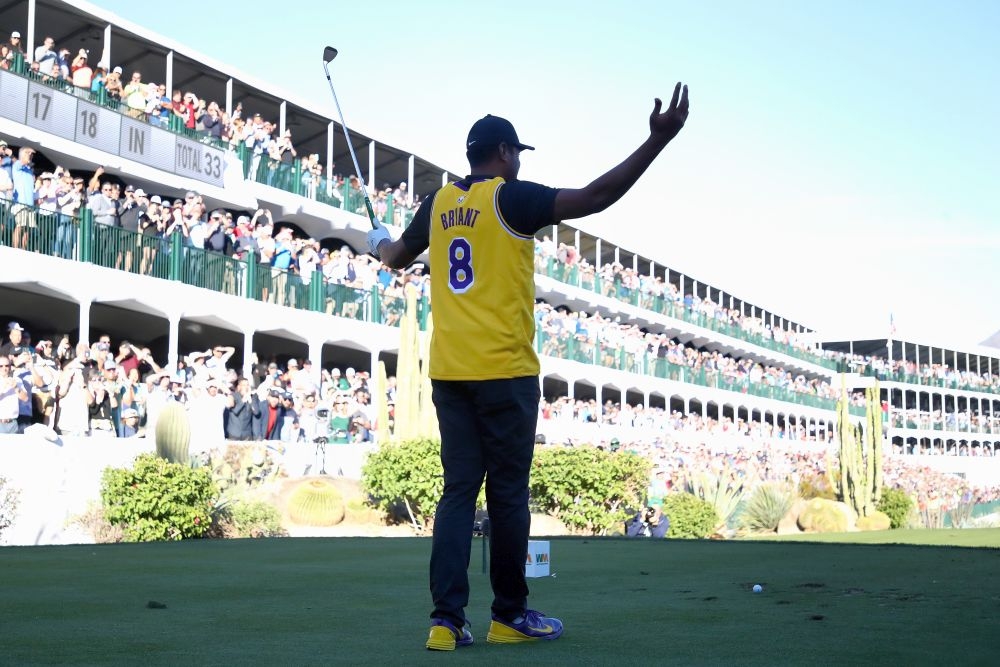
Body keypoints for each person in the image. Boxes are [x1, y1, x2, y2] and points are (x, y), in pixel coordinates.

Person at [367, 84, 690, 650]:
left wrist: (378, 243)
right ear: (504, 154)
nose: (516, 163)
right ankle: (508, 616)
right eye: (516, 155)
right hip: (506, 372)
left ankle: (445, 623)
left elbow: (394, 257)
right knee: (509, 494)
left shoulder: (438, 204)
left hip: (449, 373)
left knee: (457, 494)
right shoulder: (508, 198)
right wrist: (655, 141)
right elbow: (596, 197)